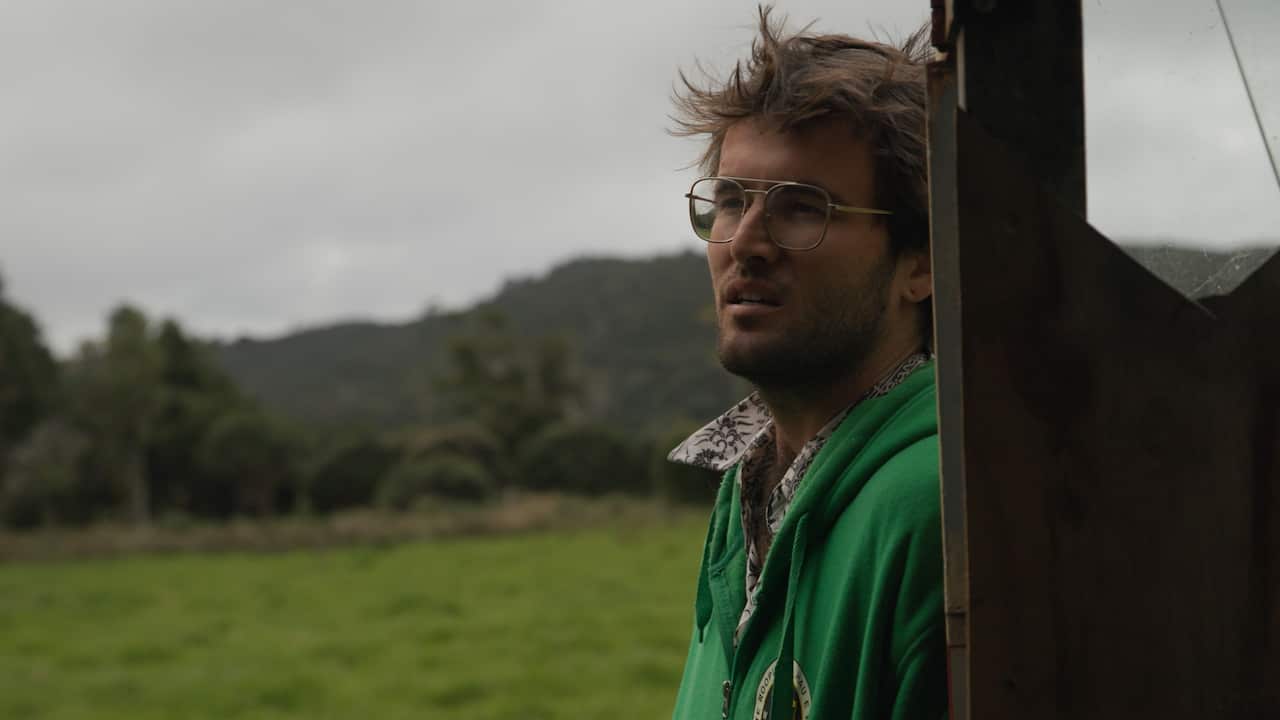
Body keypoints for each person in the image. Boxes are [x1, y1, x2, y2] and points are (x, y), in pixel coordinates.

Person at [666, 8, 945, 720]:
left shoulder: (941, 507)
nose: (745, 243)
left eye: (802, 208)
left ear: (922, 262)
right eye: (729, 201)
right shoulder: (746, 493)